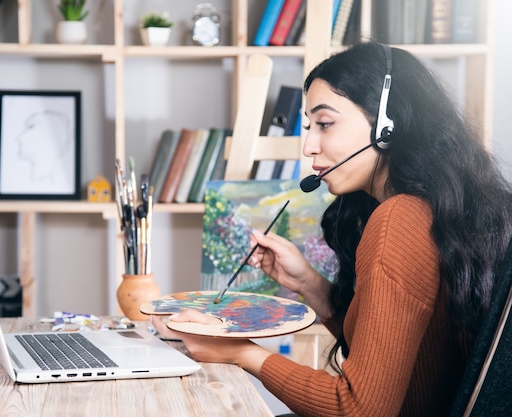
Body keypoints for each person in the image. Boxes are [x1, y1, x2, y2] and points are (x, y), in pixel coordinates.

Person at [152, 41, 512, 417]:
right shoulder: (434, 211)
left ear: (387, 126)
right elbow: (399, 360)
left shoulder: (399, 220)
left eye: (325, 124)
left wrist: (239, 351)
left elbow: (356, 408)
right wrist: (310, 285)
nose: (308, 146)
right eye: (309, 126)